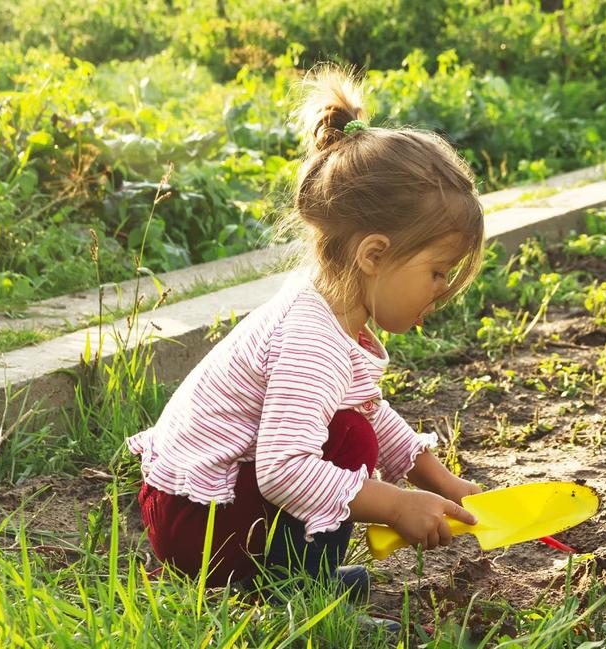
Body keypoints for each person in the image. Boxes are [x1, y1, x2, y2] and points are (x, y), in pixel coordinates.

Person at [127, 65, 486, 603]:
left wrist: (442, 483)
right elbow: (283, 470)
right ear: (374, 255)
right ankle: (295, 592)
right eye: (437, 272)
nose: (442, 291)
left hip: (198, 511)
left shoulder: (329, 309)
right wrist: (394, 504)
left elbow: (366, 407)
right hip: (197, 524)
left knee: (351, 428)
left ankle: (280, 573)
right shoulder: (311, 338)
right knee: (348, 440)